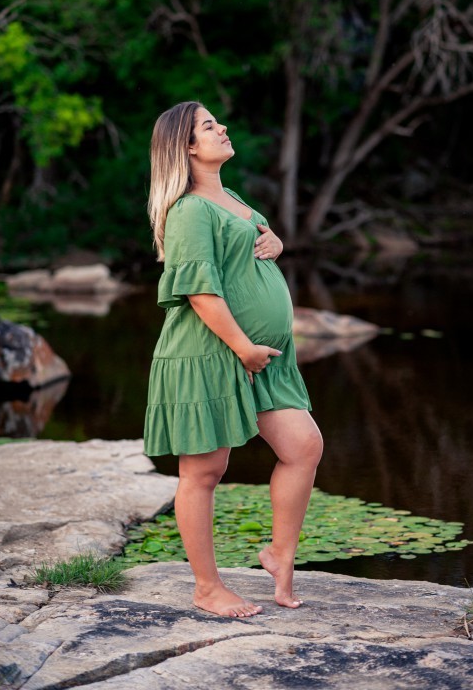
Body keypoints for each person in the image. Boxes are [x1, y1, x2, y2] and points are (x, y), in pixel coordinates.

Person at [144, 101, 323, 618]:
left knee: (303, 446)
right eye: (208, 125)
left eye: (218, 121)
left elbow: (252, 244)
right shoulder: (189, 210)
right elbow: (200, 293)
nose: (222, 127)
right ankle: (206, 588)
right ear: (187, 147)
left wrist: (276, 241)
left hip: (261, 357)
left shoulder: (231, 198)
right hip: (211, 354)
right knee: (204, 470)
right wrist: (242, 346)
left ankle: (279, 555)